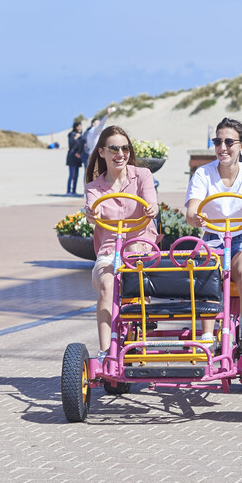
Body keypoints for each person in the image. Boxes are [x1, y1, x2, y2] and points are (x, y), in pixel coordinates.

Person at [186, 117, 242, 344]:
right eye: (217, 142)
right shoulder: (203, 174)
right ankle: (207, 335)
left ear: (241, 146)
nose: (222, 148)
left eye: (228, 142)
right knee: (205, 274)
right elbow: (192, 211)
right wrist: (197, 216)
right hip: (213, 239)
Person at [84, 125, 157, 356]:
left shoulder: (142, 175)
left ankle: (142, 321)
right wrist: (90, 214)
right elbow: (91, 209)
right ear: (102, 152)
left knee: (134, 252)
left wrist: (152, 207)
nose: (120, 154)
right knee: (107, 285)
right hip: (109, 251)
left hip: (140, 246)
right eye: (114, 148)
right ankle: (106, 351)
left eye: (125, 148)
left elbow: (150, 199)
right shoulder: (94, 187)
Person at [65, 120, 86, 195]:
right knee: (72, 175)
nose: (79, 127)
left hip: (78, 158)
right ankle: (68, 191)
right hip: (71, 157)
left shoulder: (81, 135)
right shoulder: (72, 134)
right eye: (78, 126)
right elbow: (71, 144)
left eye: (80, 126)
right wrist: (75, 138)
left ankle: (74, 191)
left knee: (76, 175)